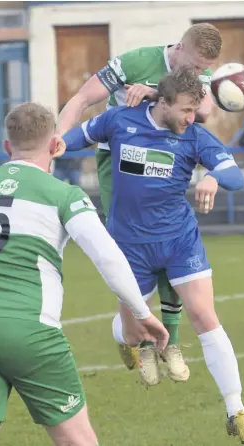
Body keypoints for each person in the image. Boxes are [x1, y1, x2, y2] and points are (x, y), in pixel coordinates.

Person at [63, 68, 244, 444]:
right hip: (129, 246)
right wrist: (52, 145)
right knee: (131, 328)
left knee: (205, 316)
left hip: (178, 240)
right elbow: (76, 138)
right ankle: (126, 340)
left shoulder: (195, 137)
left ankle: (236, 410)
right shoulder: (120, 120)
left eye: (196, 110)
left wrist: (214, 177)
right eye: (187, 110)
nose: (193, 118)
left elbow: (234, 176)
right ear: (164, 102)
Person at [0, 103, 169, 446]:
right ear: (54, 145)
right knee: (78, 440)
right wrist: (141, 312)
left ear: (6, 148)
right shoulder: (65, 195)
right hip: (31, 330)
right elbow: (107, 256)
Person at [58, 23, 222, 380]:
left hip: (167, 159)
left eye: (203, 71)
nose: (198, 75)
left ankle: (170, 342)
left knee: (170, 245)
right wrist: (56, 141)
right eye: (194, 67)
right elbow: (83, 99)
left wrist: (150, 92)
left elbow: (206, 111)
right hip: (122, 162)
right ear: (179, 47)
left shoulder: (196, 75)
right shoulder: (135, 61)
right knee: (134, 246)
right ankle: (138, 339)